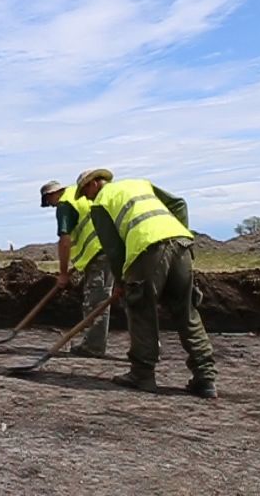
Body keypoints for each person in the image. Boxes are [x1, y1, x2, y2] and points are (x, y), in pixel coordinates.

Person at [76, 168, 218, 398]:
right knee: (186, 312)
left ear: (94, 184)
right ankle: (206, 377)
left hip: (146, 249)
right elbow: (179, 204)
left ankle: (142, 373)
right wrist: (182, 235)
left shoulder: (101, 203)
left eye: (85, 192)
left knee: (141, 309)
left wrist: (122, 281)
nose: (86, 198)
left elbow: (113, 248)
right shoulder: (140, 184)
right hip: (181, 245)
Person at [40, 178, 113, 357]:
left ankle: (93, 347)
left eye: (49, 202)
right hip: (111, 248)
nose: (51, 206)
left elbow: (64, 241)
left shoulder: (65, 205)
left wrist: (63, 273)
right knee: (127, 299)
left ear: (52, 194)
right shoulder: (80, 194)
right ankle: (146, 348)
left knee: (96, 301)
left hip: (99, 255)